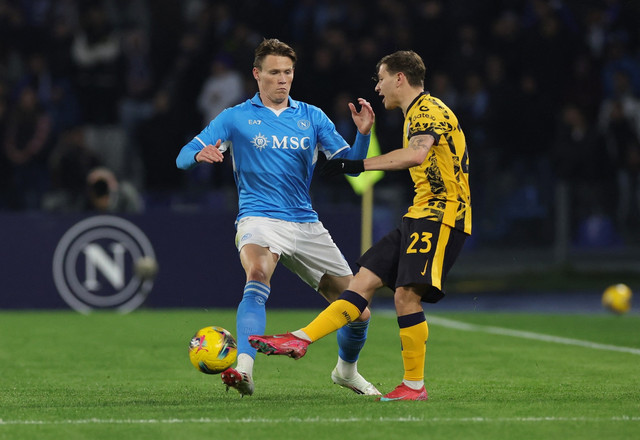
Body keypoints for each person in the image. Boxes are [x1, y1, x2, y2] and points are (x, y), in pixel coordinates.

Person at [249, 50, 472, 402]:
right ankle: (300, 339)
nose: (378, 87)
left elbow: (416, 155)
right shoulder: (416, 113)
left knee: (406, 295)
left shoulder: (428, 111)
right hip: (419, 214)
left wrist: (359, 165)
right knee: (362, 281)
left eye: (381, 78)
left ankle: (414, 386)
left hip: (442, 215)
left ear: (400, 78)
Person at [176, 38, 379, 397]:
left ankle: (346, 372)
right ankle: (244, 369)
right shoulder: (235, 117)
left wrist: (362, 136)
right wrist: (199, 155)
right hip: (258, 218)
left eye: (287, 72)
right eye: (274, 73)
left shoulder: (312, 117)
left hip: (305, 222)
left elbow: (352, 168)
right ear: (257, 75)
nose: (282, 79)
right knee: (257, 274)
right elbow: (182, 155)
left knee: (358, 308)